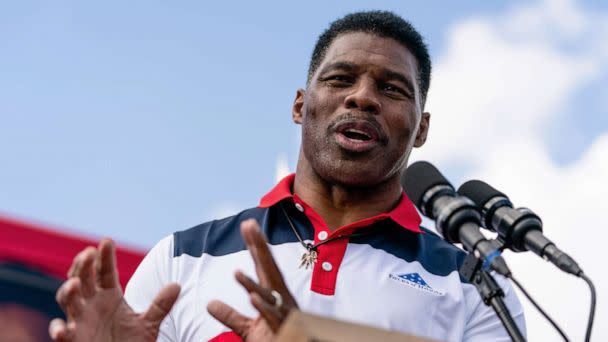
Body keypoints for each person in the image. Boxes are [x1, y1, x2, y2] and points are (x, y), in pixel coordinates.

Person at [49, 10, 525, 342]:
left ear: (420, 128)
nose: (362, 98)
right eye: (340, 79)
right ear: (301, 105)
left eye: (391, 88)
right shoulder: (182, 260)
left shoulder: (472, 286)